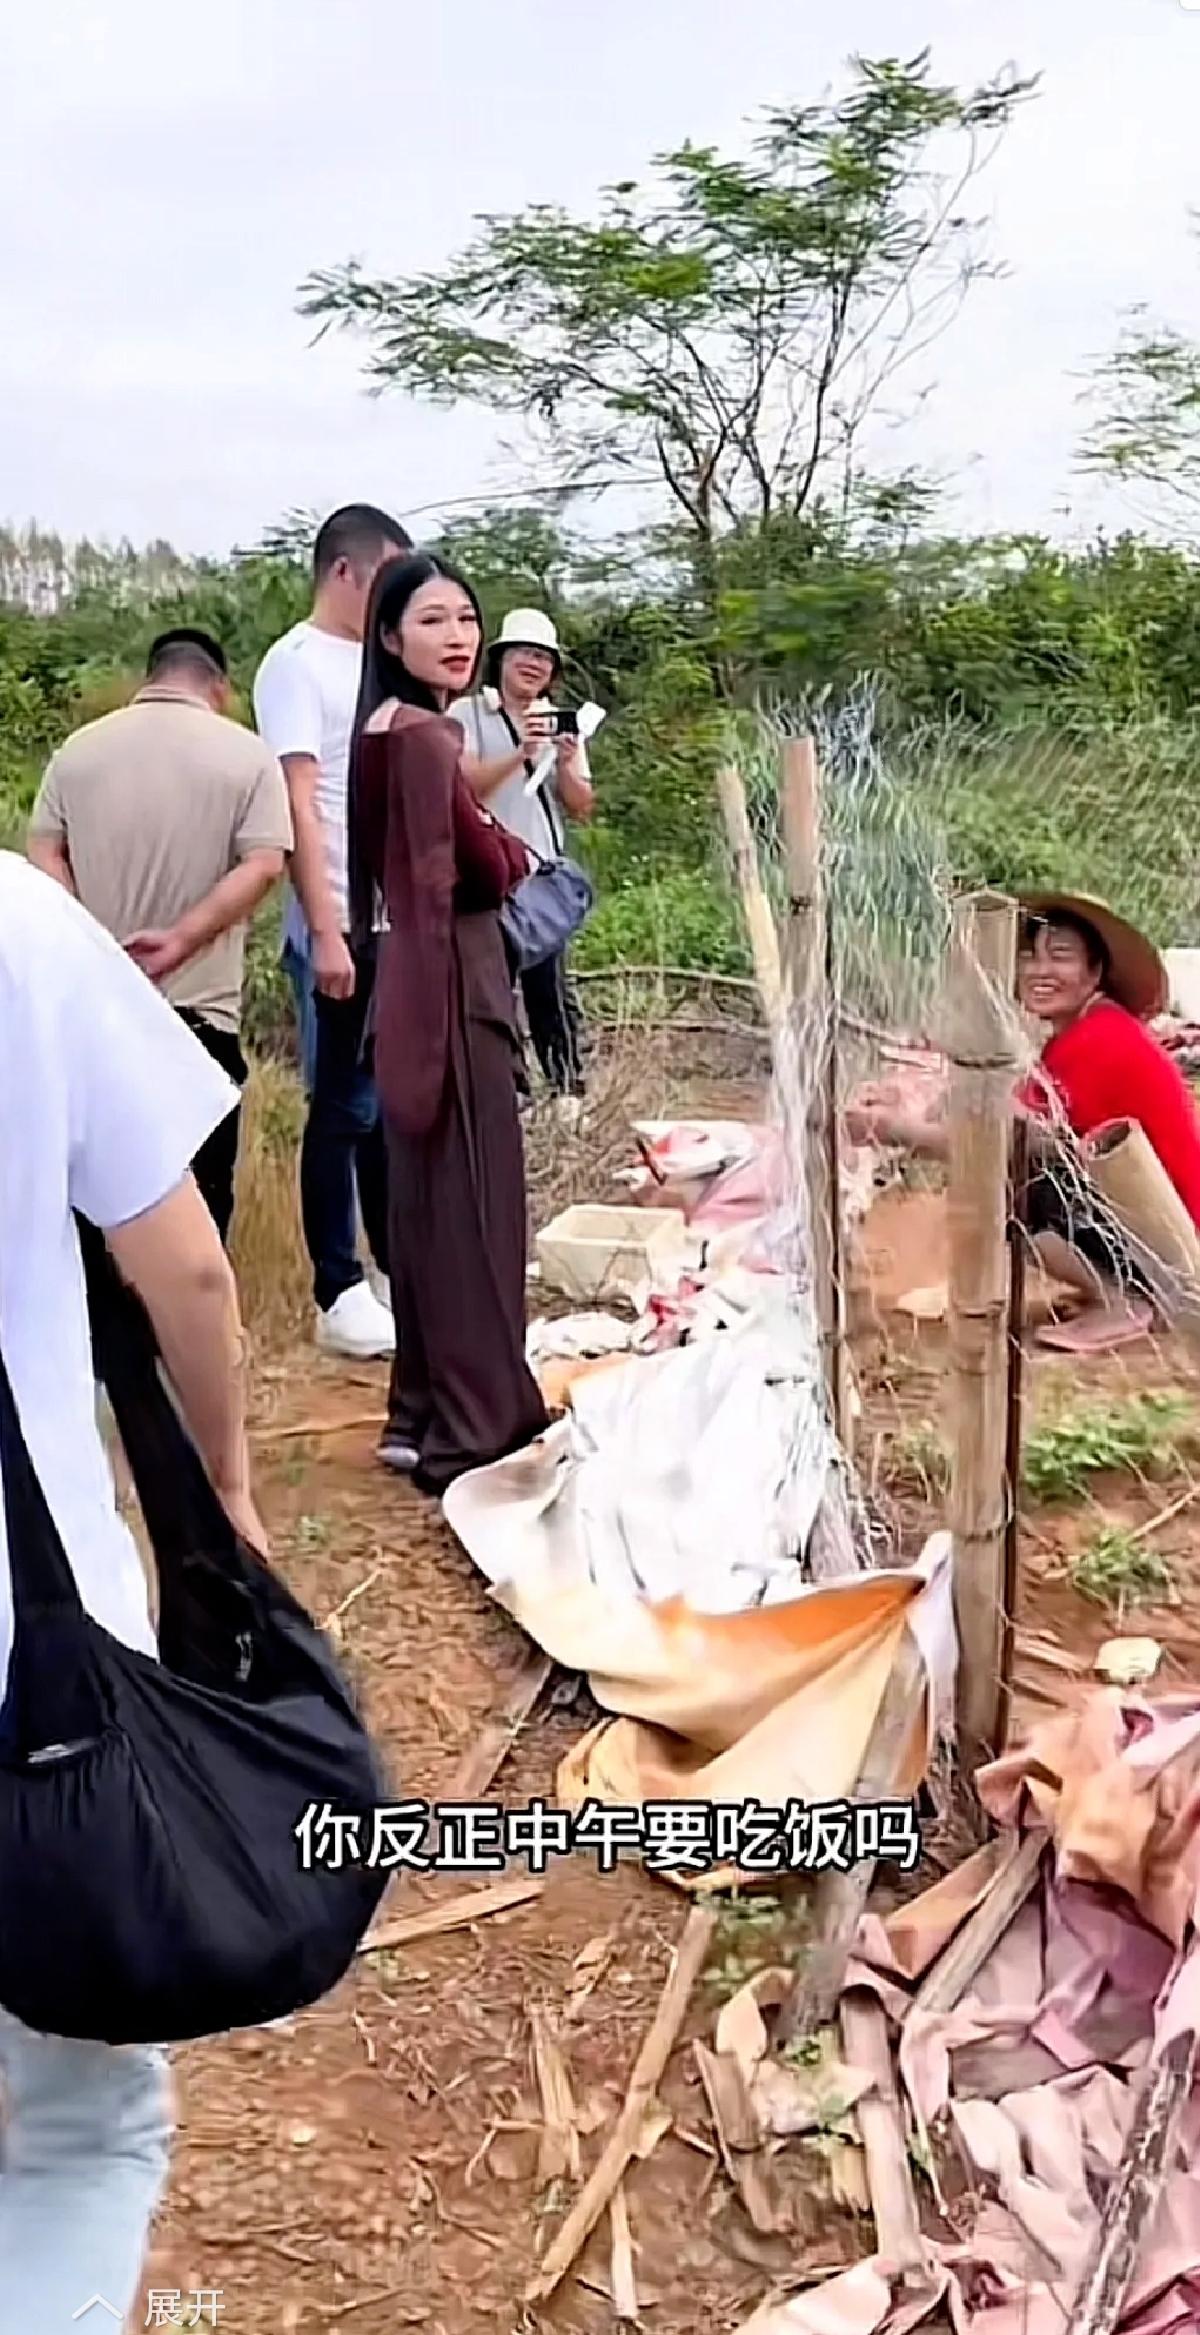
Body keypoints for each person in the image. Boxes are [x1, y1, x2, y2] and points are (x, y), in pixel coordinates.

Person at [0, 849, 266, 2331]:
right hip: (27, 1649)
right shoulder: (18, 926)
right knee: (80, 2125)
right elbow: (189, 1270)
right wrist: (222, 1490)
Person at [348, 556, 551, 1490]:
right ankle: (480, 1428)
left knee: (426, 1211)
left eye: (466, 618)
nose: (458, 636)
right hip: (455, 985)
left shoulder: (378, 731)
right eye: (432, 621)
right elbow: (474, 867)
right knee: (477, 1209)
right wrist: (505, 845)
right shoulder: (427, 738)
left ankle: (420, 1413)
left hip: (406, 986)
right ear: (389, 637)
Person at [27, 627, 292, 1246]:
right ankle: (186, 1344)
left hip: (96, 1023)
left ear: (151, 679)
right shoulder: (249, 756)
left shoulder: (78, 752)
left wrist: (93, 948)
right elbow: (265, 863)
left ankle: (103, 1343)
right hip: (200, 1021)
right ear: (219, 690)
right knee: (198, 1204)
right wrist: (180, 939)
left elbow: (43, 849)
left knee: (98, 1216)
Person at [847, 892, 1200, 1356]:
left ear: (1095, 972)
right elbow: (1004, 1107)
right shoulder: (1083, 1030)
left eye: (1060, 956)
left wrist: (896, 1130)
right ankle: (1117, 1284)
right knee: (1016, 1164)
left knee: (1016, 1178)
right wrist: (911, 1105)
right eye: (1030, 956)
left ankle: (1126, 1298)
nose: (1039, 970)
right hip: (1158, 1227)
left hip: (1177, 1244)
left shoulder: (1100, 1039)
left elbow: (1010, 1136)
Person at [253, 504, 410, 1358]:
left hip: (395, 918)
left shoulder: (380, 662)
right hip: (341, 915)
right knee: (342, 1104)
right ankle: (336, 1285)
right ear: (344, 572)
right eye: (384, 579)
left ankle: (388, 1270)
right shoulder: (298, 664)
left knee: (385, 1107)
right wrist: (327, 929)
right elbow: (302, 804)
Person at [450, 607, 594, 1105]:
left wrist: (569, 758)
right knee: (492, 993)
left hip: (539, 879)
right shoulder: (466, 715)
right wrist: (523, 752)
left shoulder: (557, 720)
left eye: (543, 658)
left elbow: (580, 806)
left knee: (550, 991)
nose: (533, 665)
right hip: (484, 878)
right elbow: (464, 784)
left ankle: (567, 1093)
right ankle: (507, 1095)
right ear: (501, 659)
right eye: (524, 654)